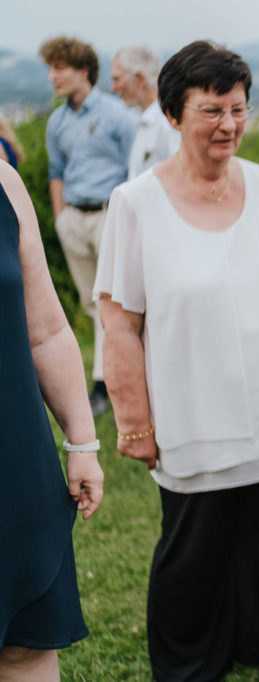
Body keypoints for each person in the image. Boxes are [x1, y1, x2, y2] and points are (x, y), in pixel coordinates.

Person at [94, 41, 259, 682]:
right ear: (173, 114)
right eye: (211, 110)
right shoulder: (135, 203)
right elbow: (120, 326)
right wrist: (134, 424)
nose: (228, 124)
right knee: (193, 548)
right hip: (192, 412)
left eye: (238, 109)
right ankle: (189, 661)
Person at [0, 161, 104, 680]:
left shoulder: (4, 183)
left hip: (12, 458)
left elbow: (46, 330)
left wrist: (82, 441)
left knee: (25, 644)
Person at [39, 36, 136, 417]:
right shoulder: (57, 122)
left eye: (59, 68)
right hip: (74, 220)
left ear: (83, 71)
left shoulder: (117, 115)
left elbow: (137, 168)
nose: (52, 77)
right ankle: (113, 378)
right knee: (90, 303)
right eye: (50, 69)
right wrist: (60, 217)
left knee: (109, 301)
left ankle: (102, 385)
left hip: (109, 216)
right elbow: (56, 171)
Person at [110, 45, 181, 179]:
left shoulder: (168, 123)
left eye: (117, 79)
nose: (113, 88)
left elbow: (181, 174)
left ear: (140, 79)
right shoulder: (140, 118)